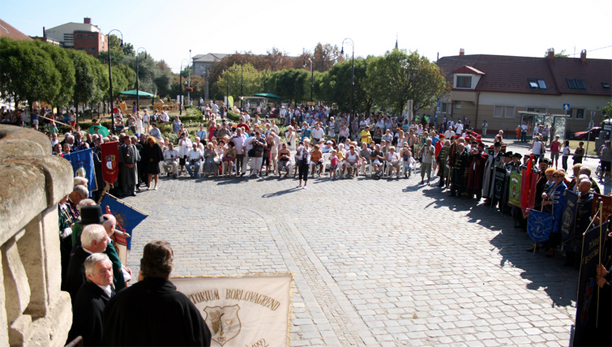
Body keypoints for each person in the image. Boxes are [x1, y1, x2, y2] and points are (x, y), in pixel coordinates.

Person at [103, 240, 212, 346]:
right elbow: (202, 339)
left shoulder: (121, 299)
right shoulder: (180, 304)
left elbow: (108, 334)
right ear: (169, 268)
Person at [67, 253, 114, 346]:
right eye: (102, 271)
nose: (109, 274)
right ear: (89, 276)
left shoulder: (103, 284)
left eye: (110, 269)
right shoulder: (91, 304)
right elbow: (94, 339)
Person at [63, 223, 109, 304]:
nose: (108, 241)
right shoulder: (83, 268)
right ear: (95, 243)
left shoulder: (81, 255)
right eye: (105, 239)